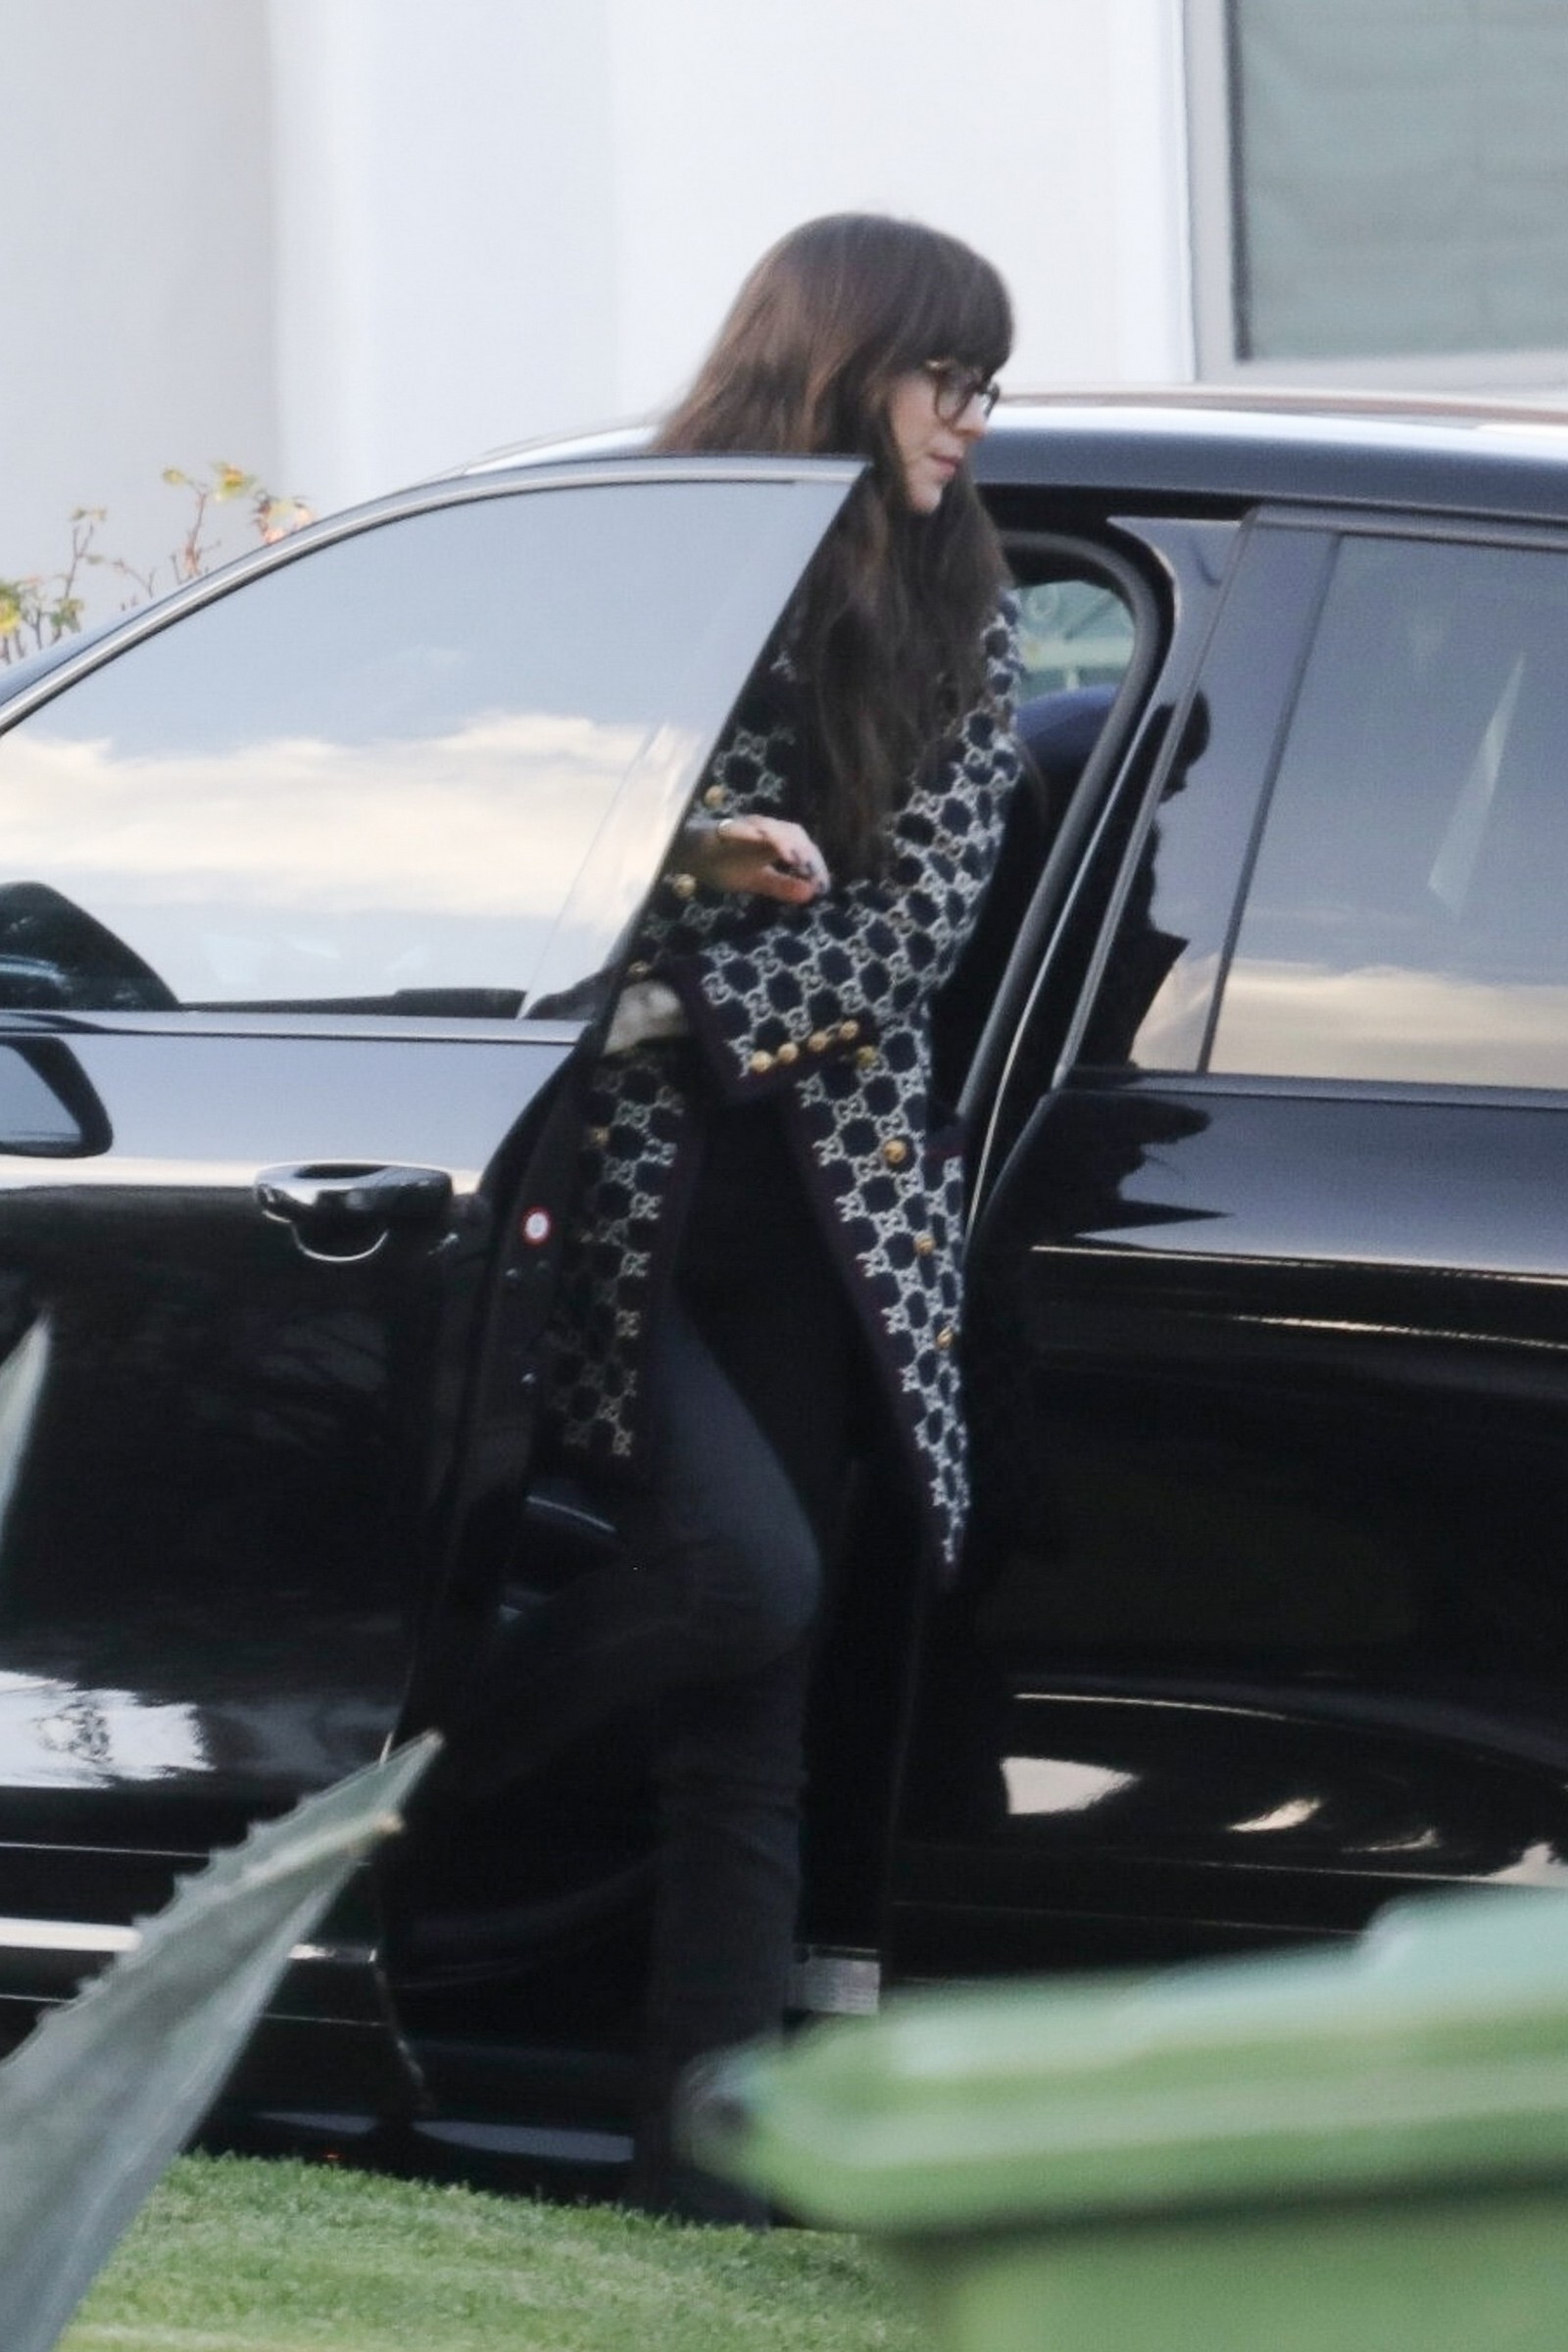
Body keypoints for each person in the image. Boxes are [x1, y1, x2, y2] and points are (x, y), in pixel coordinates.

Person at [461, 212, 1025, 2220]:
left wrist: (669, 1005)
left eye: (987, 386)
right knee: (743, 1585)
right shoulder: (647, 557)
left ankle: (703, 2168)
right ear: (840, 358)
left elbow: (917, 923)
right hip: (612, 1206)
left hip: (817, 1218)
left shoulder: (968, 605)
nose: (970, 420)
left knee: (748, 1705)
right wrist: (695, 862)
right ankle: (395, 1781)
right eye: (945, 376)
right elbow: (521, 828)